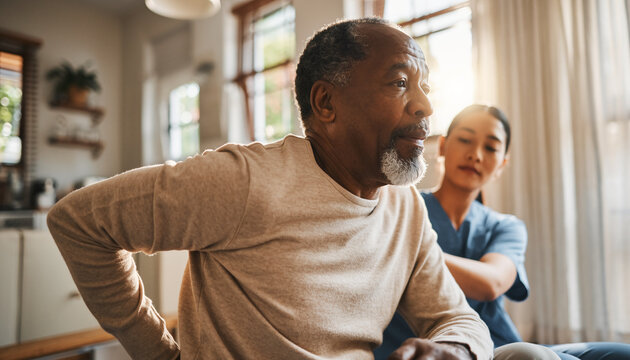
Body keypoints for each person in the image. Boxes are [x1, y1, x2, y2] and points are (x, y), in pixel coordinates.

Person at [47, 18, 495, 359]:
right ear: (326, 103)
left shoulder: (406, 208)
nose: (426, 105)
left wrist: (455, 349)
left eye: (424, 87)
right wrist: (159, 353)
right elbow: (78, 221)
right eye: (400, 83)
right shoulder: (245, 181)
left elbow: (455, 317)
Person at [375, 104, 630, 360]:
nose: (475, 154)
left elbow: (491, 282)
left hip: (502, 342)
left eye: (491, 147)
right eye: (465, 140)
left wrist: (411, 252)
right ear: (442, 147)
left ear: (502, 164)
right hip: (449, 350)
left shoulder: (505, 226)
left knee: (621, 353)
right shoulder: (404, 208)